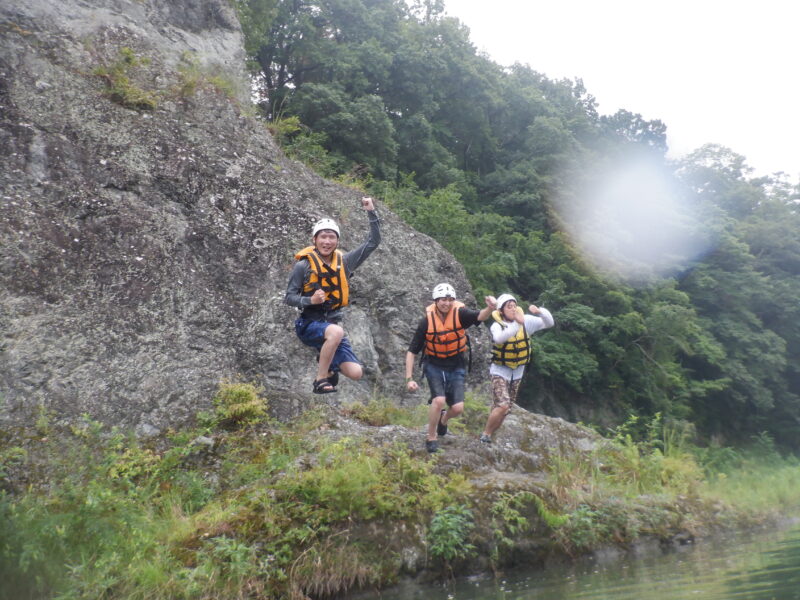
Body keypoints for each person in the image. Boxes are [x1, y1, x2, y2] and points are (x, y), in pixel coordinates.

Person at [285, 197, 380, 394]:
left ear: (337, 241)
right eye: (323, 237)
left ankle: (326, 361)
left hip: (333, 325)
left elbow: (373, 242)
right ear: (314, 240)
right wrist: (310, 300)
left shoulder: (345, 262)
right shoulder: (303, 266)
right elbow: (289, 297)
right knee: (336, 332)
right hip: (309, 324)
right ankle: (320, 379)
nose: (327, 241)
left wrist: (371, 212)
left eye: (331, 237)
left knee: (356, 373)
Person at [405, 283, 496, 453]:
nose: (446, 303)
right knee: (438, 400)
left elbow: (480, 316)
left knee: (458, 408)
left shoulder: (460, 314)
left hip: (456, 364)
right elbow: (412, 351)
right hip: (434, 364)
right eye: (442, 300)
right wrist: (409, 378)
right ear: (436, 301)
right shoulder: (426, 321)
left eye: (449, 300)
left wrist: (490, 308)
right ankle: (431, 436)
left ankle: (444, 420)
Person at [480, 293, 554, 444]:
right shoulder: (497, 325)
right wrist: (517, 323)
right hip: (499, 371)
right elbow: (500, 339)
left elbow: (549, 323)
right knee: (502, 405)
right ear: (501, 311)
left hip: (517, 373)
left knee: (505, 410)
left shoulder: (526, 322)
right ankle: (485, 434)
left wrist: (540, 312)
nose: (513, 309)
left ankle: (490, 436)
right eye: (509, 307)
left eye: (514, 306)